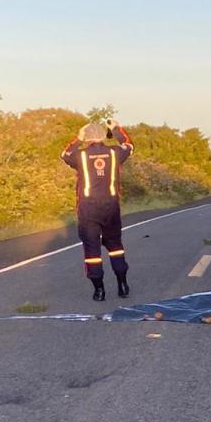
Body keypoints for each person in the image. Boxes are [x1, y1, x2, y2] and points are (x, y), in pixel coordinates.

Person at [61, 120, 134, 300]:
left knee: (92, 249)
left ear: (87, 138)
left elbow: (64, 154)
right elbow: (129, 145)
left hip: (88, 209)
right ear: (103, 136)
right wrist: (115, 128)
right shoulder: (115, 153)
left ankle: (99, 290)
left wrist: (78, 138)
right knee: (115, 246)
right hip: (111, 207)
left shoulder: (80, 155)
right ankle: (122, 285)